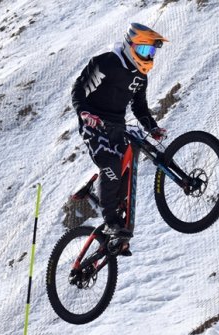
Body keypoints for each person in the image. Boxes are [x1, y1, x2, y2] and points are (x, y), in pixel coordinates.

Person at [71, 23, 168, 247]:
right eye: (144, 50)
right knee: (111, 164)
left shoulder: (140, 78)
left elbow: (140, 108)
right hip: (93, 123)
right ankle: (110, 222)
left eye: (151, 52)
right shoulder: (105, 63)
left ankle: (116, 235)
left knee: (126, 177)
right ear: (129, 45)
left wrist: (152, 127)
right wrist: (84, 112)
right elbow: (79, 88)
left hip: (118, 128)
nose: (148, 56)